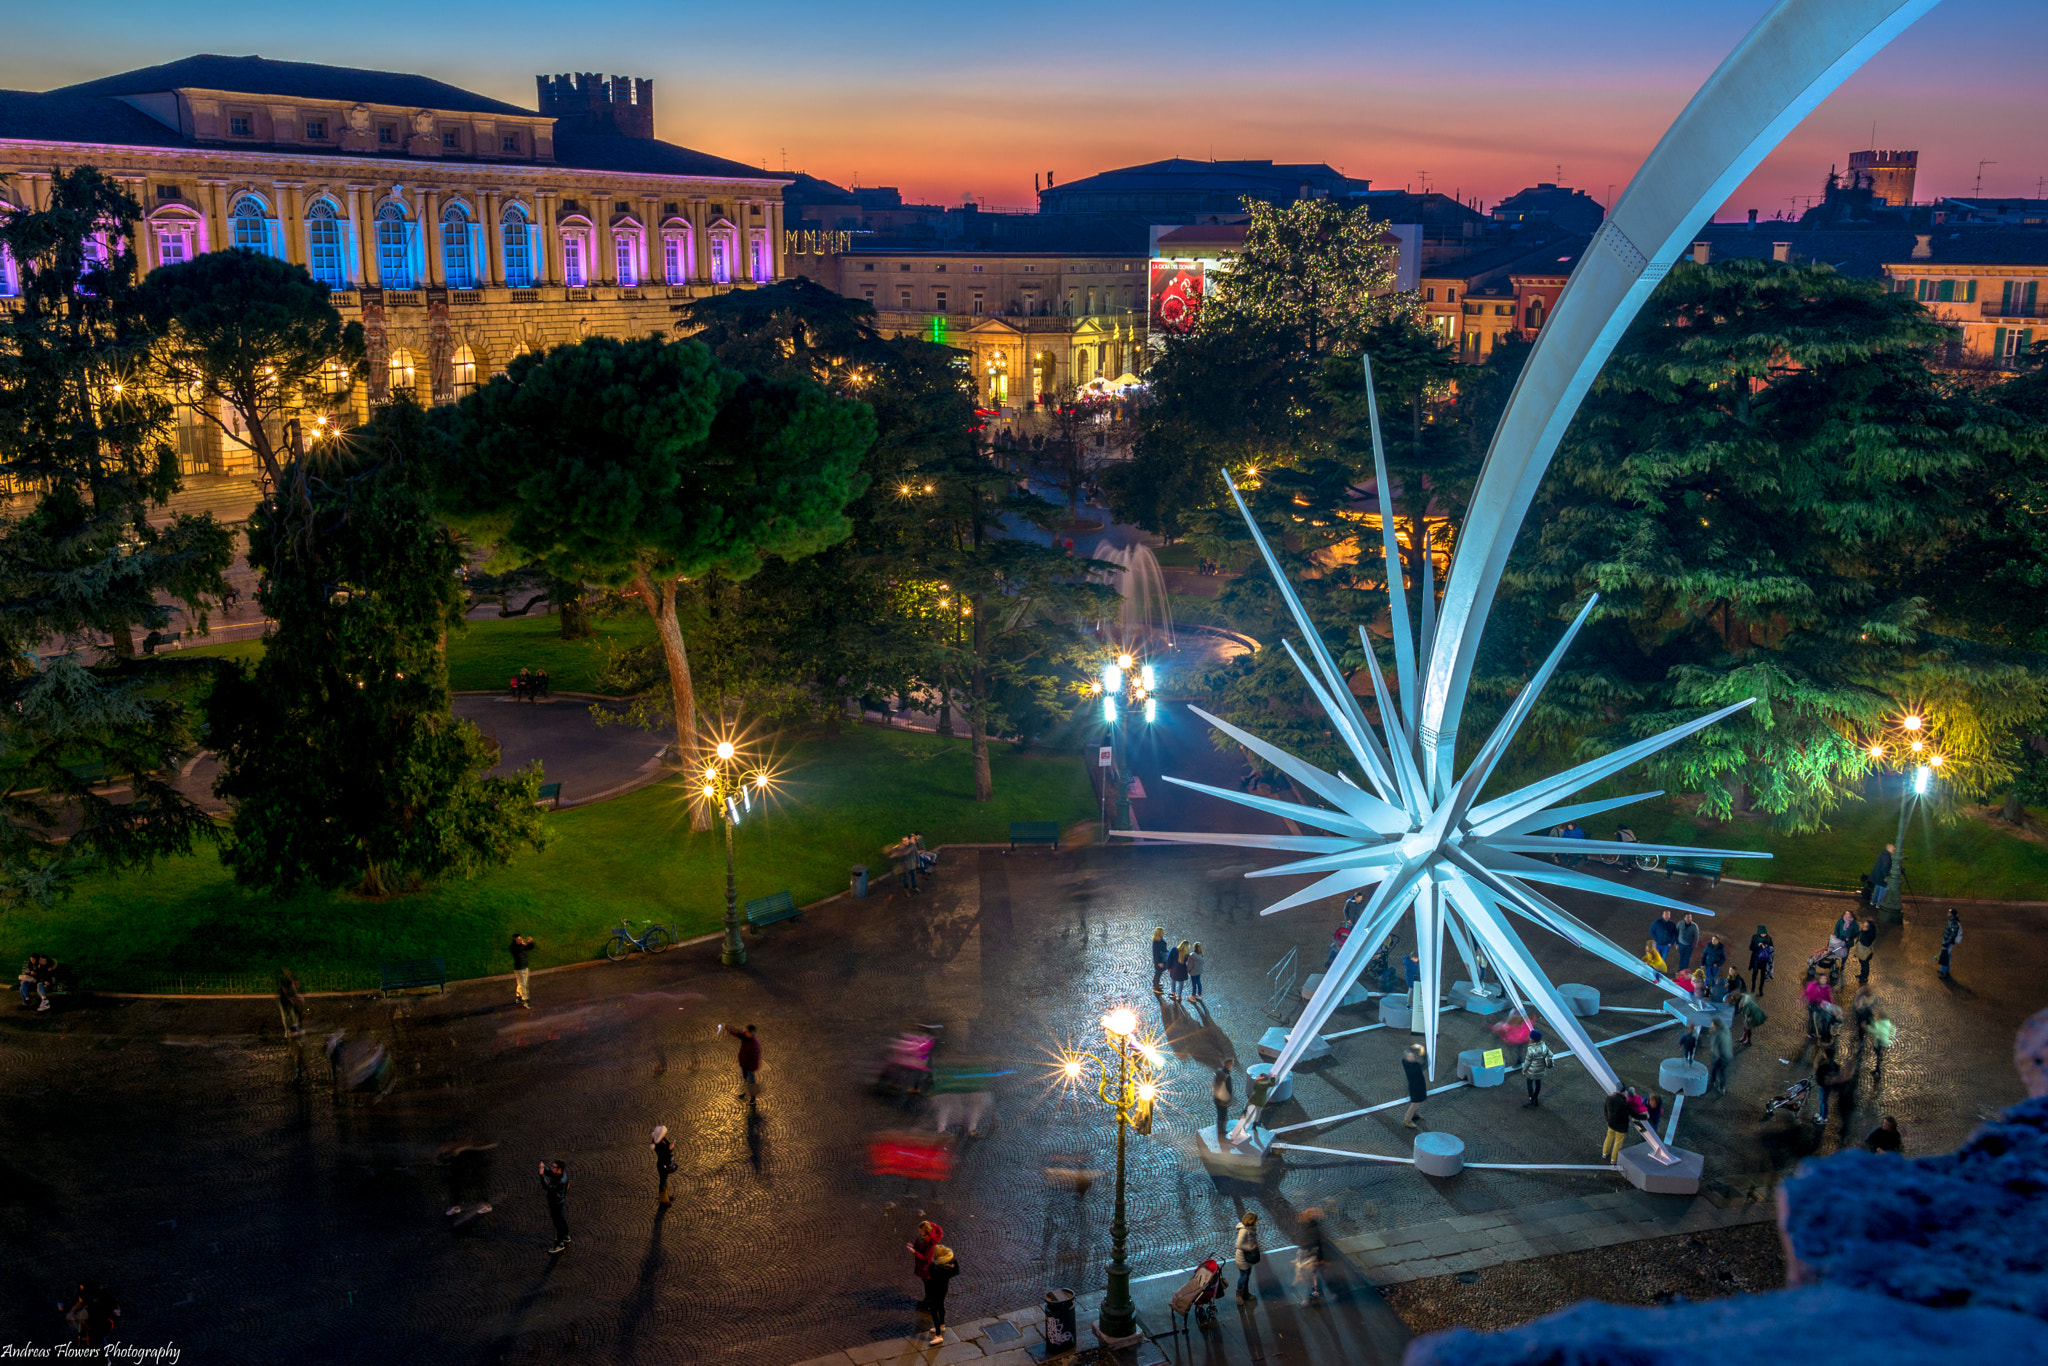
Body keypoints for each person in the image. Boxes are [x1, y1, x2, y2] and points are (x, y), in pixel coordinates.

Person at [924, 1244, 959, 1345]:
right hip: (943, 1288)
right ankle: (942, 1325)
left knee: (934, 1310)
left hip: (935, 1289)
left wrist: (930, 1264)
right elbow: (956, 1271)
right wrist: (954, 1261)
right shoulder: (947, 1267)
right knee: (940, 1305)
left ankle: (938, 1335)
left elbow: (930, 1275)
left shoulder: (936, 1267)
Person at [277, 969, 308, 1083]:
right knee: (288, 1020)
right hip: (286, 1004)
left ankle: (300, 1071)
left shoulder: (291, 987)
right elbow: (286, 993)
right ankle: (300, 1071)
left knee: (293, 1020)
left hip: (296, 1031)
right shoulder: (286, 985)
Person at [908, 1219, 943, 1313]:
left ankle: (930, 1304)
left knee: (929, 1287)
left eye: (921, 1231)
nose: (919, 1233)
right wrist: (913, 1246)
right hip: (923, 1268)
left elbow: (926, 1258)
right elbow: (917, 1244)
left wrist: (915, 1252)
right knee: (927, 1286)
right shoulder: (921, 1237)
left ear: (926, 1231)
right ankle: (928, 1302)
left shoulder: (930, 1244)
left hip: (927, 1269)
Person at [1297, 1208, 1329, 1305]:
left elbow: (1313, 1244)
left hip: (1310, 1257)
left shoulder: (1309, 1230)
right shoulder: (1309, 1227)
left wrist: (1320, 1258)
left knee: (1309, 1277)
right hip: (1310, 1256)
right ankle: (1317, 1292)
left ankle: (1307, 1299)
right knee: (1313, 1275)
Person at [722, 1023, 762, 1100]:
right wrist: (728, 1028)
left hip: (750, 1067)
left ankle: (753, 1098)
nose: (745, 1032)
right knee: (745, 1079)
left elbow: (756, 1057)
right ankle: (745, 1092)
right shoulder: (745, 1037)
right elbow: (738, 1033)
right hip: (743, 1064)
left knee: (751, 1082)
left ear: (750, 1033)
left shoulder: (754, 1045)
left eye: (747, 1031)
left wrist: (755, 1067)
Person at [540, 1160, 570, 1254]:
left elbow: (547, 1187)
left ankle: (559, 1243)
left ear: (559, 1169)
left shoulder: (559, 1182)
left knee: (558, 1223)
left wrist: (541, 1175)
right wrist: (544, 1169)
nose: (552, 1168)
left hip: (555, 1203)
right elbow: (551, 1173)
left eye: (554, 1167)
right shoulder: (561, 1175)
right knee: (561, 1219)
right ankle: (565, 1235)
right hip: (559, 1201)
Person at [1520, 1029, 1554, 1107]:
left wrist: (1524, 1071)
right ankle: (1536, 1099)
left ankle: (1531, 1100)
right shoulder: (1544, 1046)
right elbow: (1551, 1054)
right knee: (1538, 1084)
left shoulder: (1531, 1050)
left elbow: (1527, 1062)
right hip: (1541, 1069)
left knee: (1529, 1085)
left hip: (1532, 1071)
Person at [1813, 1048, 1844, 1130]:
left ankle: (1823, 1118)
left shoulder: (1829, 1065)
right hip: (1822, 1085)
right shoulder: (1828, 1063)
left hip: (1825, 1086)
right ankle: (1821, 1114)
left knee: (1824, 1101)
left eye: (1824, 1053)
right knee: (1822, 1100)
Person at [1233, 1212, 1261, 1302]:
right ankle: (1239, 1295)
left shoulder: (1251, 1229)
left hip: (1248, 1257)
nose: (1257, 1221)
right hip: (1242, 1258)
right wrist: (1250, 1248)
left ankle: (1245, 1293)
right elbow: (1238, 1244)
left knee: (1247, 1275)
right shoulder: (1244, 1230)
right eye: (1255, 1220)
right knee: (1243, 1276)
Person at [1602, 1088, 1634, 1162]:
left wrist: (1607, 1119)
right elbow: (1633, 1114)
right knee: (1618, 1143)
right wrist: (1644, 1116)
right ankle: (1613, 1159)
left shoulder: (1609, 1098)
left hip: (1611, 1123)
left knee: (1609, 1137)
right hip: (1621, 1127)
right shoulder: (1625, 1103)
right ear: (1623, 1092)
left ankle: (1604, 1153)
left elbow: (1605, 1109)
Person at [1401, 1044, 1428, 1128]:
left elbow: (1408, 1051)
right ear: (1407, 1058)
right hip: (1416, 1087)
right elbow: (1424, 1065)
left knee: (1417, 1102)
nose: (1413, 1056)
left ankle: (1414, 1115)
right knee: (1415, 1104)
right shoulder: (1413, 1067)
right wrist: (1423, 1054)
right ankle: (1407, 1120)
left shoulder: (1407, 1063)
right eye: (1411, 1056)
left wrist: (1414, 1047)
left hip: (1416, 1085)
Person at [1705, 1020, 1735, 1095]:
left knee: (1715, 1069)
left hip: (1720, 1056)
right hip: (1727, 1055)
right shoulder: (1726, 1030)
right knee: (1722, 1071)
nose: (1711, 1026)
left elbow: (1714, 1047)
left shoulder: (1718, 1035)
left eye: (1712, 1025)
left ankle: (1713, 1083)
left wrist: (1712, 1032)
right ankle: (1722, 1087)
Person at [651, 1126, 676, 1206]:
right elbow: (664, 1154)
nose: (665, 1135)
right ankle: (663, 1199)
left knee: (665, 1179)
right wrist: (669, 1148)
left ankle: (666, 1195)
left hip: (665, 1162)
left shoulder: (663, 1140)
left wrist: (670, 1146)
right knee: (662, 1180)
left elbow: (668, 1147)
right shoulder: (658, 1145)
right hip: (662, 1164)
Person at [509, 933, 535, 1010]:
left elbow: (529, 948)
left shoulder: (521, 945)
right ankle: (525, 1000)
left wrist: (531, 942)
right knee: (523, 984)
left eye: (521, 938)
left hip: (525, 966)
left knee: (522, 983)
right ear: (515, 939)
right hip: (519, 968)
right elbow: (517, 950)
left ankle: (518, 996)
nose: (521, 940)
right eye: (519, 939)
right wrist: (521, 944)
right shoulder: (513, 947)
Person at [1748, 925, 1775, 994]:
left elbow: (1772, 948)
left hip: (1764, 960)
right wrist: (1758, 945)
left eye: (1765, 933)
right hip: (1756, 959)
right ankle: (1753, 988)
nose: (1764, 935)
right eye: (1762, 933)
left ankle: (1760, 989)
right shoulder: (1754, 938)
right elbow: (1751, 947)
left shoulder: (1769, 938)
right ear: (1759, 933)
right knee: (1754, 974)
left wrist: (1767, 946)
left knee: (1763, 975)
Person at [1212, 1059, 1234, 1138]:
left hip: (1217, 1098)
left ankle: (1220, 1129)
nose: (1232, 1066)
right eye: (1231, 1065)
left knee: (1220, 1114)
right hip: (1223, 1099)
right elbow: (1228, 1089)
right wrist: (1229, 1099)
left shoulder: (1219, 1072)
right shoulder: (1227, 1076)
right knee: (1223, 1115)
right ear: (1228, 1065)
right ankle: (1221, 1131)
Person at [1938, 909, 1962, 979]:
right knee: (1947, 955)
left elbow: (1953, 934)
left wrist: (1947, 942)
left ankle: (1943, 972)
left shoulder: (1953, 923)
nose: (1948, 913)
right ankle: (1946, 970)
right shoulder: (1952, 921)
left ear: (1952, 914)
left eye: (1949, 912)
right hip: (1948, 941)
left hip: (1948, 941)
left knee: (1944, 956)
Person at [1853, 916, 1877, 985]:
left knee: (1865, 964)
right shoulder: (1864, 931)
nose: (1863, 927)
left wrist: (1864, 932)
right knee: (1862, 963)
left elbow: (1865, 942)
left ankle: (1865, 977)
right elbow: (1858, 935)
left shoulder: (1870, 935)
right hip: (1861, 951)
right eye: (1864, 925)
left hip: (1866, 952)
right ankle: (1862, 974)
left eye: (1866, 926)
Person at [1151, 928, 1171, 994]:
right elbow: (1156, 953)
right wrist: (1159, 962)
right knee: (1158, 972)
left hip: (1161, 959)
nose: (1163, 933)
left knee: (1159, 972)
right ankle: (1156, 987)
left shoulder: (1159, 940)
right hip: (1160, 960)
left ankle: (1156, 983)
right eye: (1162, 932)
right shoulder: (1157, 942)